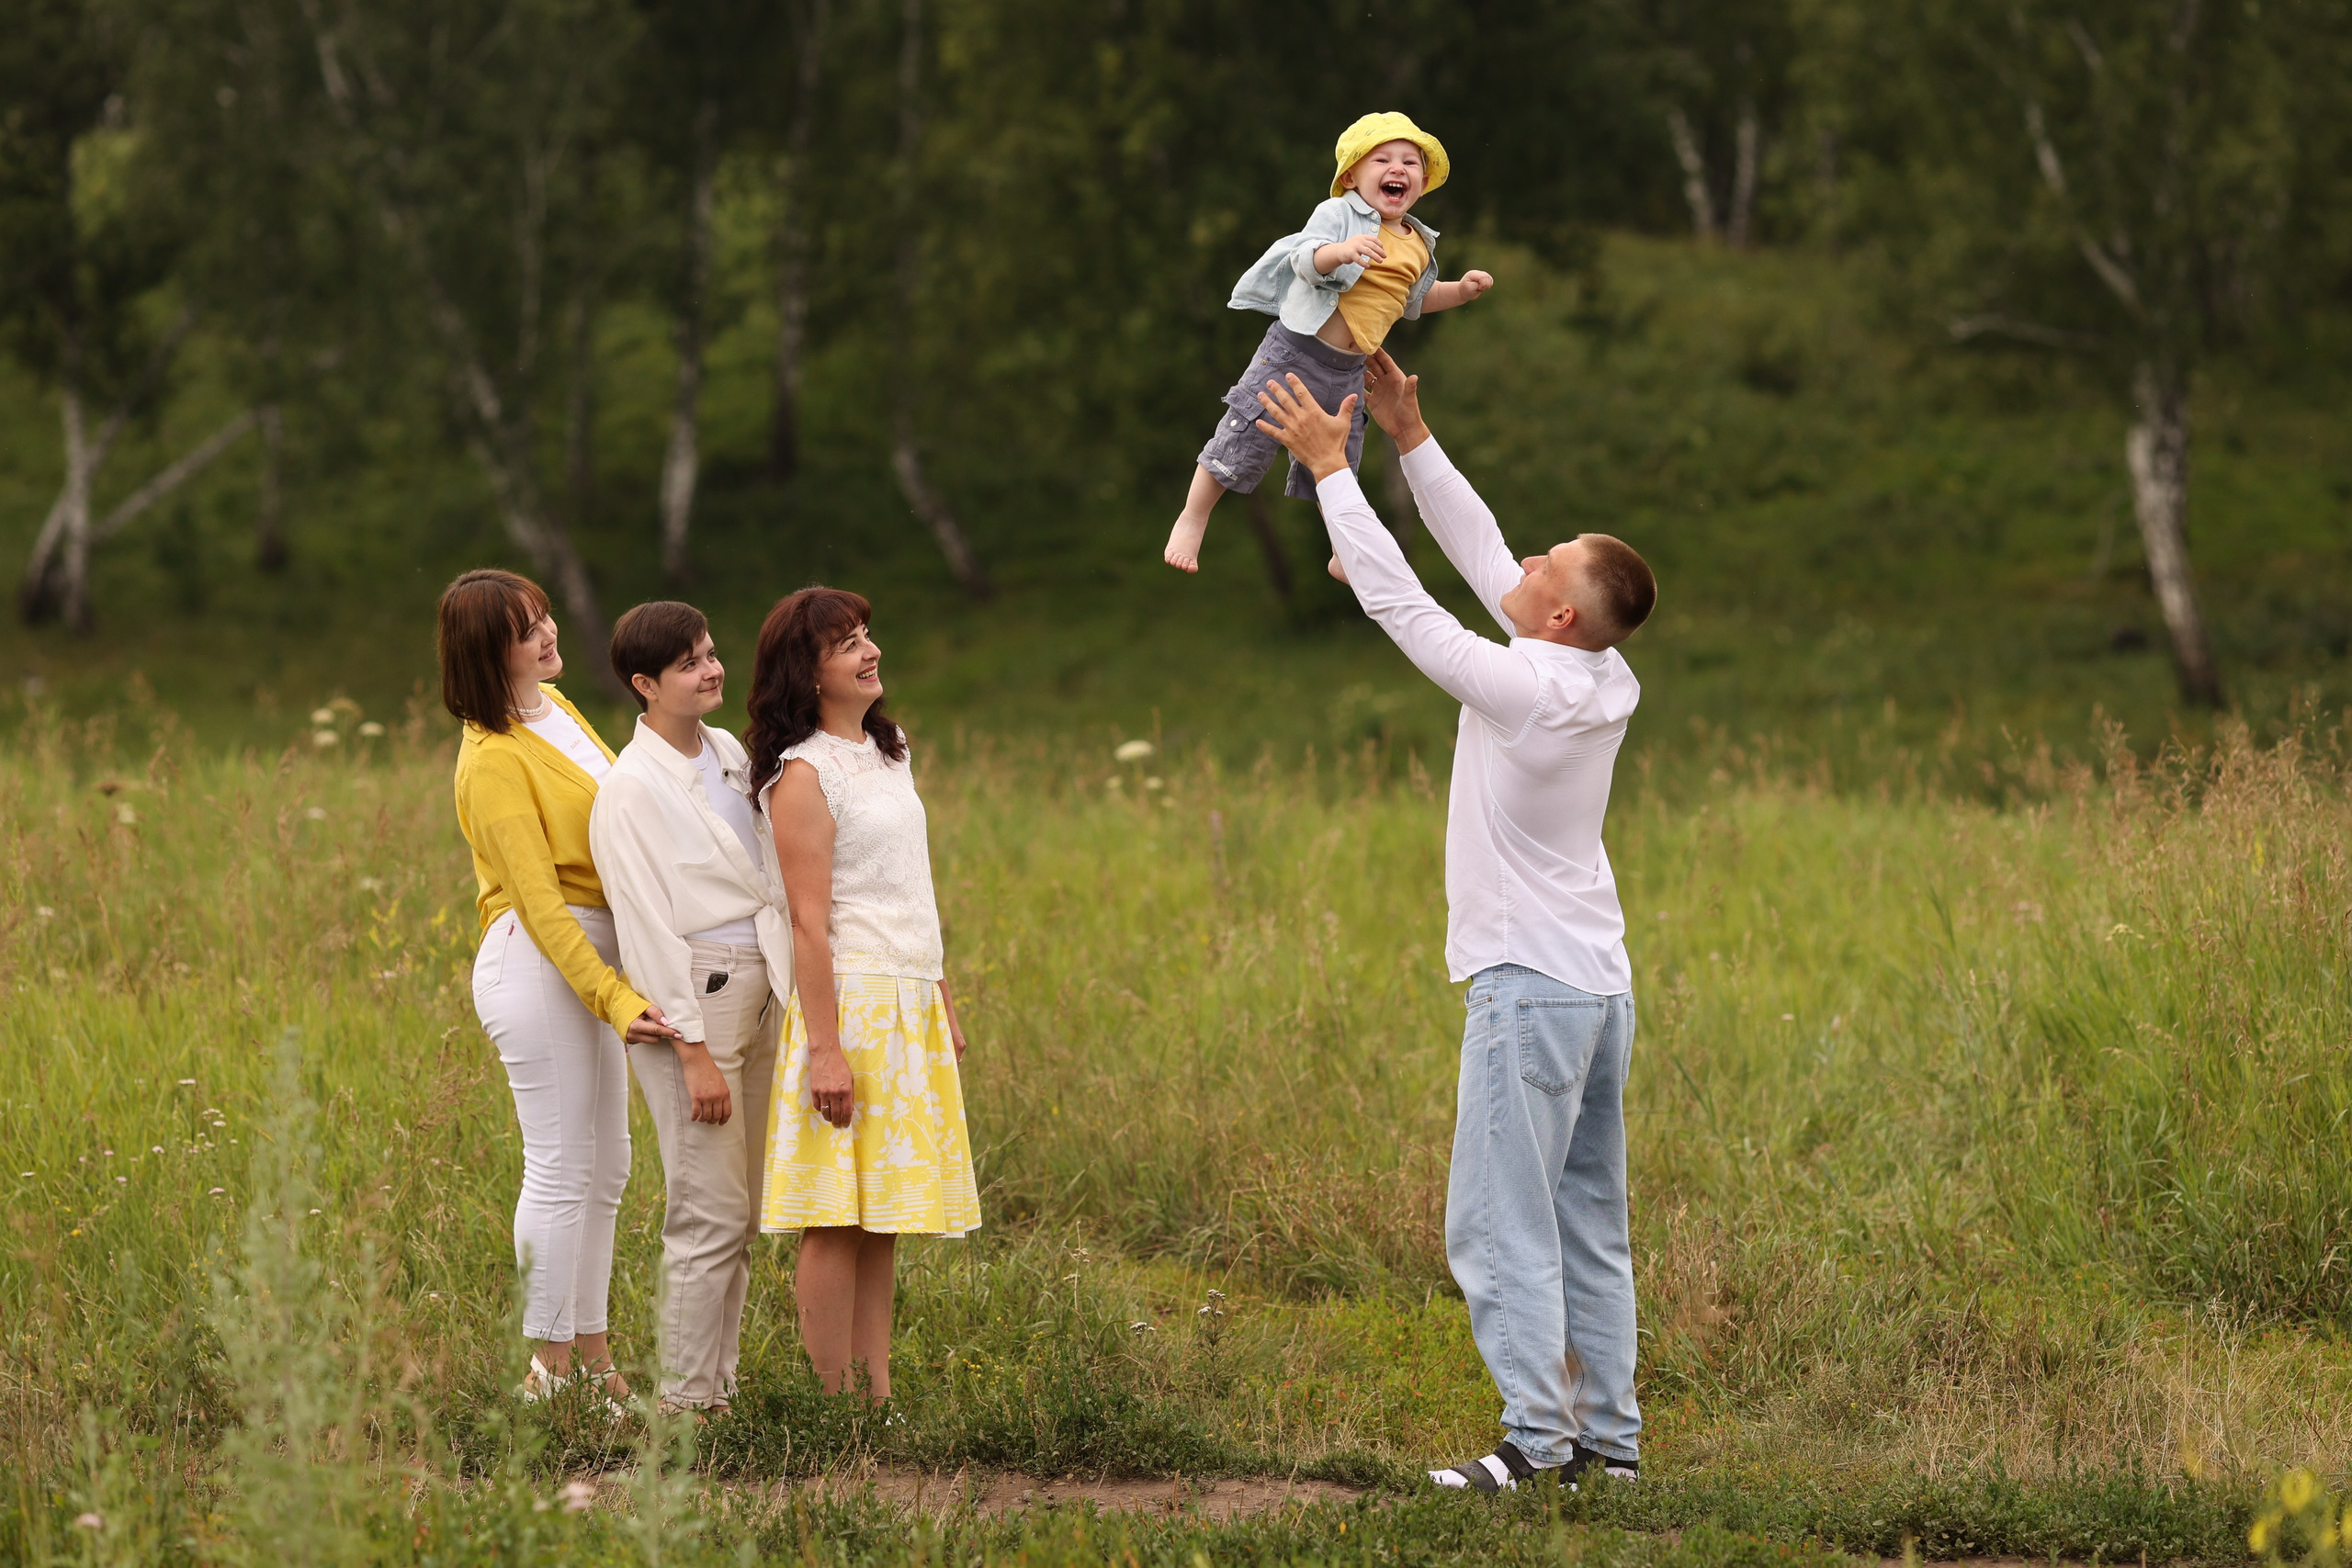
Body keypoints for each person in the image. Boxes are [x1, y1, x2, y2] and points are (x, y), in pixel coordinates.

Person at [1253, 355, 1657, 1494]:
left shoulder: (1529, 687)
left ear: (1562, 611)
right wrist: (1410, 434)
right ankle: (1607, 1453)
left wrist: (1337, 471)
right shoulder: (1598, 675)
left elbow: (1404, 606)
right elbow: (1482, 558)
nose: (1525, 560)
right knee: (1587, 1224)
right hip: (1597, 990)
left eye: (1549, 564)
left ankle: (1534, 1447)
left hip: (1528, 987)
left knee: (1496, 1226)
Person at [439, 569, 682, 1406]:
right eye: (526, 630)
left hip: (591, 954)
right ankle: (548, 1371)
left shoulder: (555, 710)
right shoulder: (493, 758)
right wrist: (615, 997)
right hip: (542, 962)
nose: (548, 637)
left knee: (606, 1166)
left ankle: (595, 1366)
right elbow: (541, 904)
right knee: (559, 1167)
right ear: (487, 653)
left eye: (544, 617)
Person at [743, 587, 980, 1402]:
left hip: (908, 994)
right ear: (806, 674)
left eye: (866, 635)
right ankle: (827, 1401)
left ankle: (874, 1398)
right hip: (851, 1003)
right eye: (846, 643)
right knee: (835, 1210)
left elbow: (914, 886)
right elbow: (811, 924)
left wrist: (941, 995)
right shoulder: (801, 775)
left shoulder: (891, 749)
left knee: (885, 1214)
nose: (869, 650)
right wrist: (826, 1048)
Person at [587, 601, 794, 1419]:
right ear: (646, 684)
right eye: (689, 663)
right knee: (706, 1210)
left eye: (711, 653)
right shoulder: (629, 789)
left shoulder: (729, 752)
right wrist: (692, 1049)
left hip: (760, 985)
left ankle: (718, 1392)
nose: (711, 669)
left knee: (740, 1210)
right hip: (693, 997)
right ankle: (682, 1406)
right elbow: (642, 927)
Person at [1162, 110, 1494, 575]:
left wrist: (1460, 290)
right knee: (1244, 432)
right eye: (1382, 159)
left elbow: (1413, 301)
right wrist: (1342, 251)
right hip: (1295, 352)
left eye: (1410, 162)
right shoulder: (1340, 213)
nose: (1397, 168)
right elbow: (1304, 259)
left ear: (1422, 182)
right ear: (1353, 175)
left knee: (1338, 462)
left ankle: (1343, 548)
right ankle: (1193, 518)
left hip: (1349, 372)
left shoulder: (1418, 243)